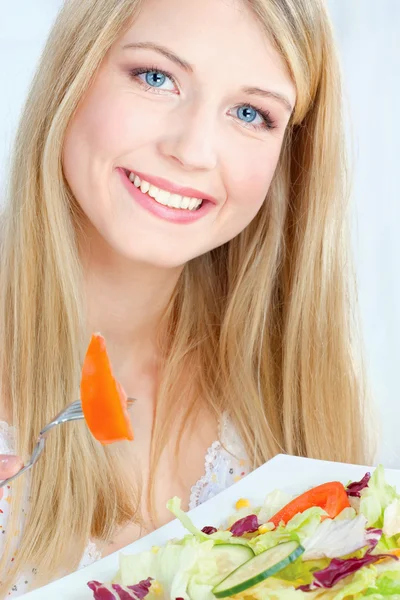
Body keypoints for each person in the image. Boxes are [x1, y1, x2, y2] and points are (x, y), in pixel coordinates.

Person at [0, 0, 374, 595]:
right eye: (157, 78)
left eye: (250, 112)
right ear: (74, 70)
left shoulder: (292, 391)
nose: (193, 150)